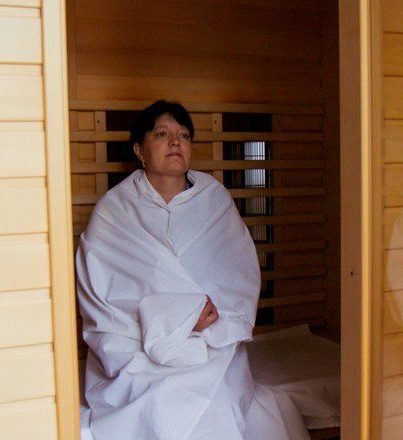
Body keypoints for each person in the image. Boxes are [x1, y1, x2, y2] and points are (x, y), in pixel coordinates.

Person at [75, 100, 309, 440]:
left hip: (211, 341)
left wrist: (202, 321)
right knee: (161, 399)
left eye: (183, 135)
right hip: (135, 347)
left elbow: (237, 274)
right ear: (139, 150)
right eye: (162, 134)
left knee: (217, 400)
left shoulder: (215, 200)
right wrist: (177, 321)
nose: (175, 142)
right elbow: (102, 294)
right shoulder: (114, 210)